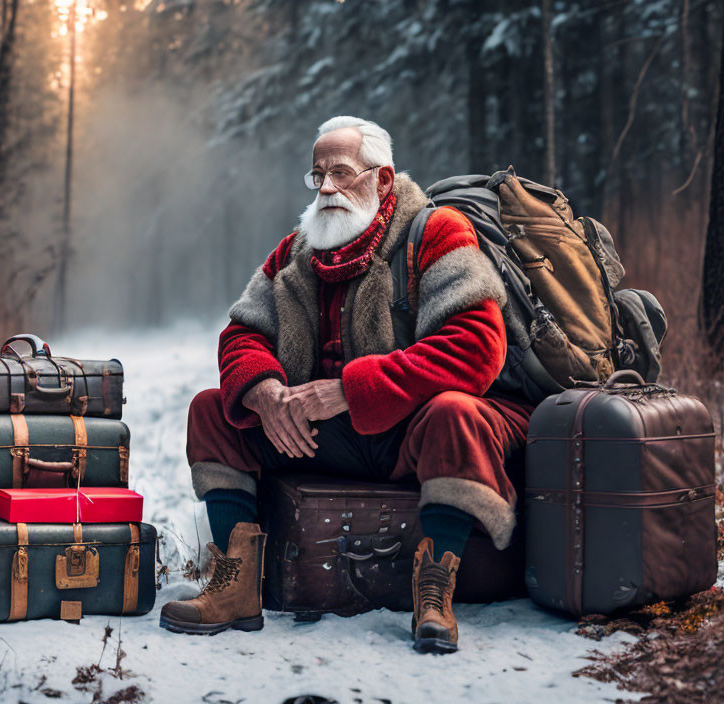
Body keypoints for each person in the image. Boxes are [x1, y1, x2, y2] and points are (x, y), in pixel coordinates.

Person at [159, 116, 532, 654]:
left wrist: (349, 390)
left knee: (457, 411)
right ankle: (235, 585)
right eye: (318, 176)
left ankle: (435, 591)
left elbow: (477, 346)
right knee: (214, 409)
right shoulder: (295, 250)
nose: (327, 188)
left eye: (342, 172)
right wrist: (265, 392)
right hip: (324, 437)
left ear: (382, 180)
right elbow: (241, 334)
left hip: (415, 434)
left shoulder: (436, 232)